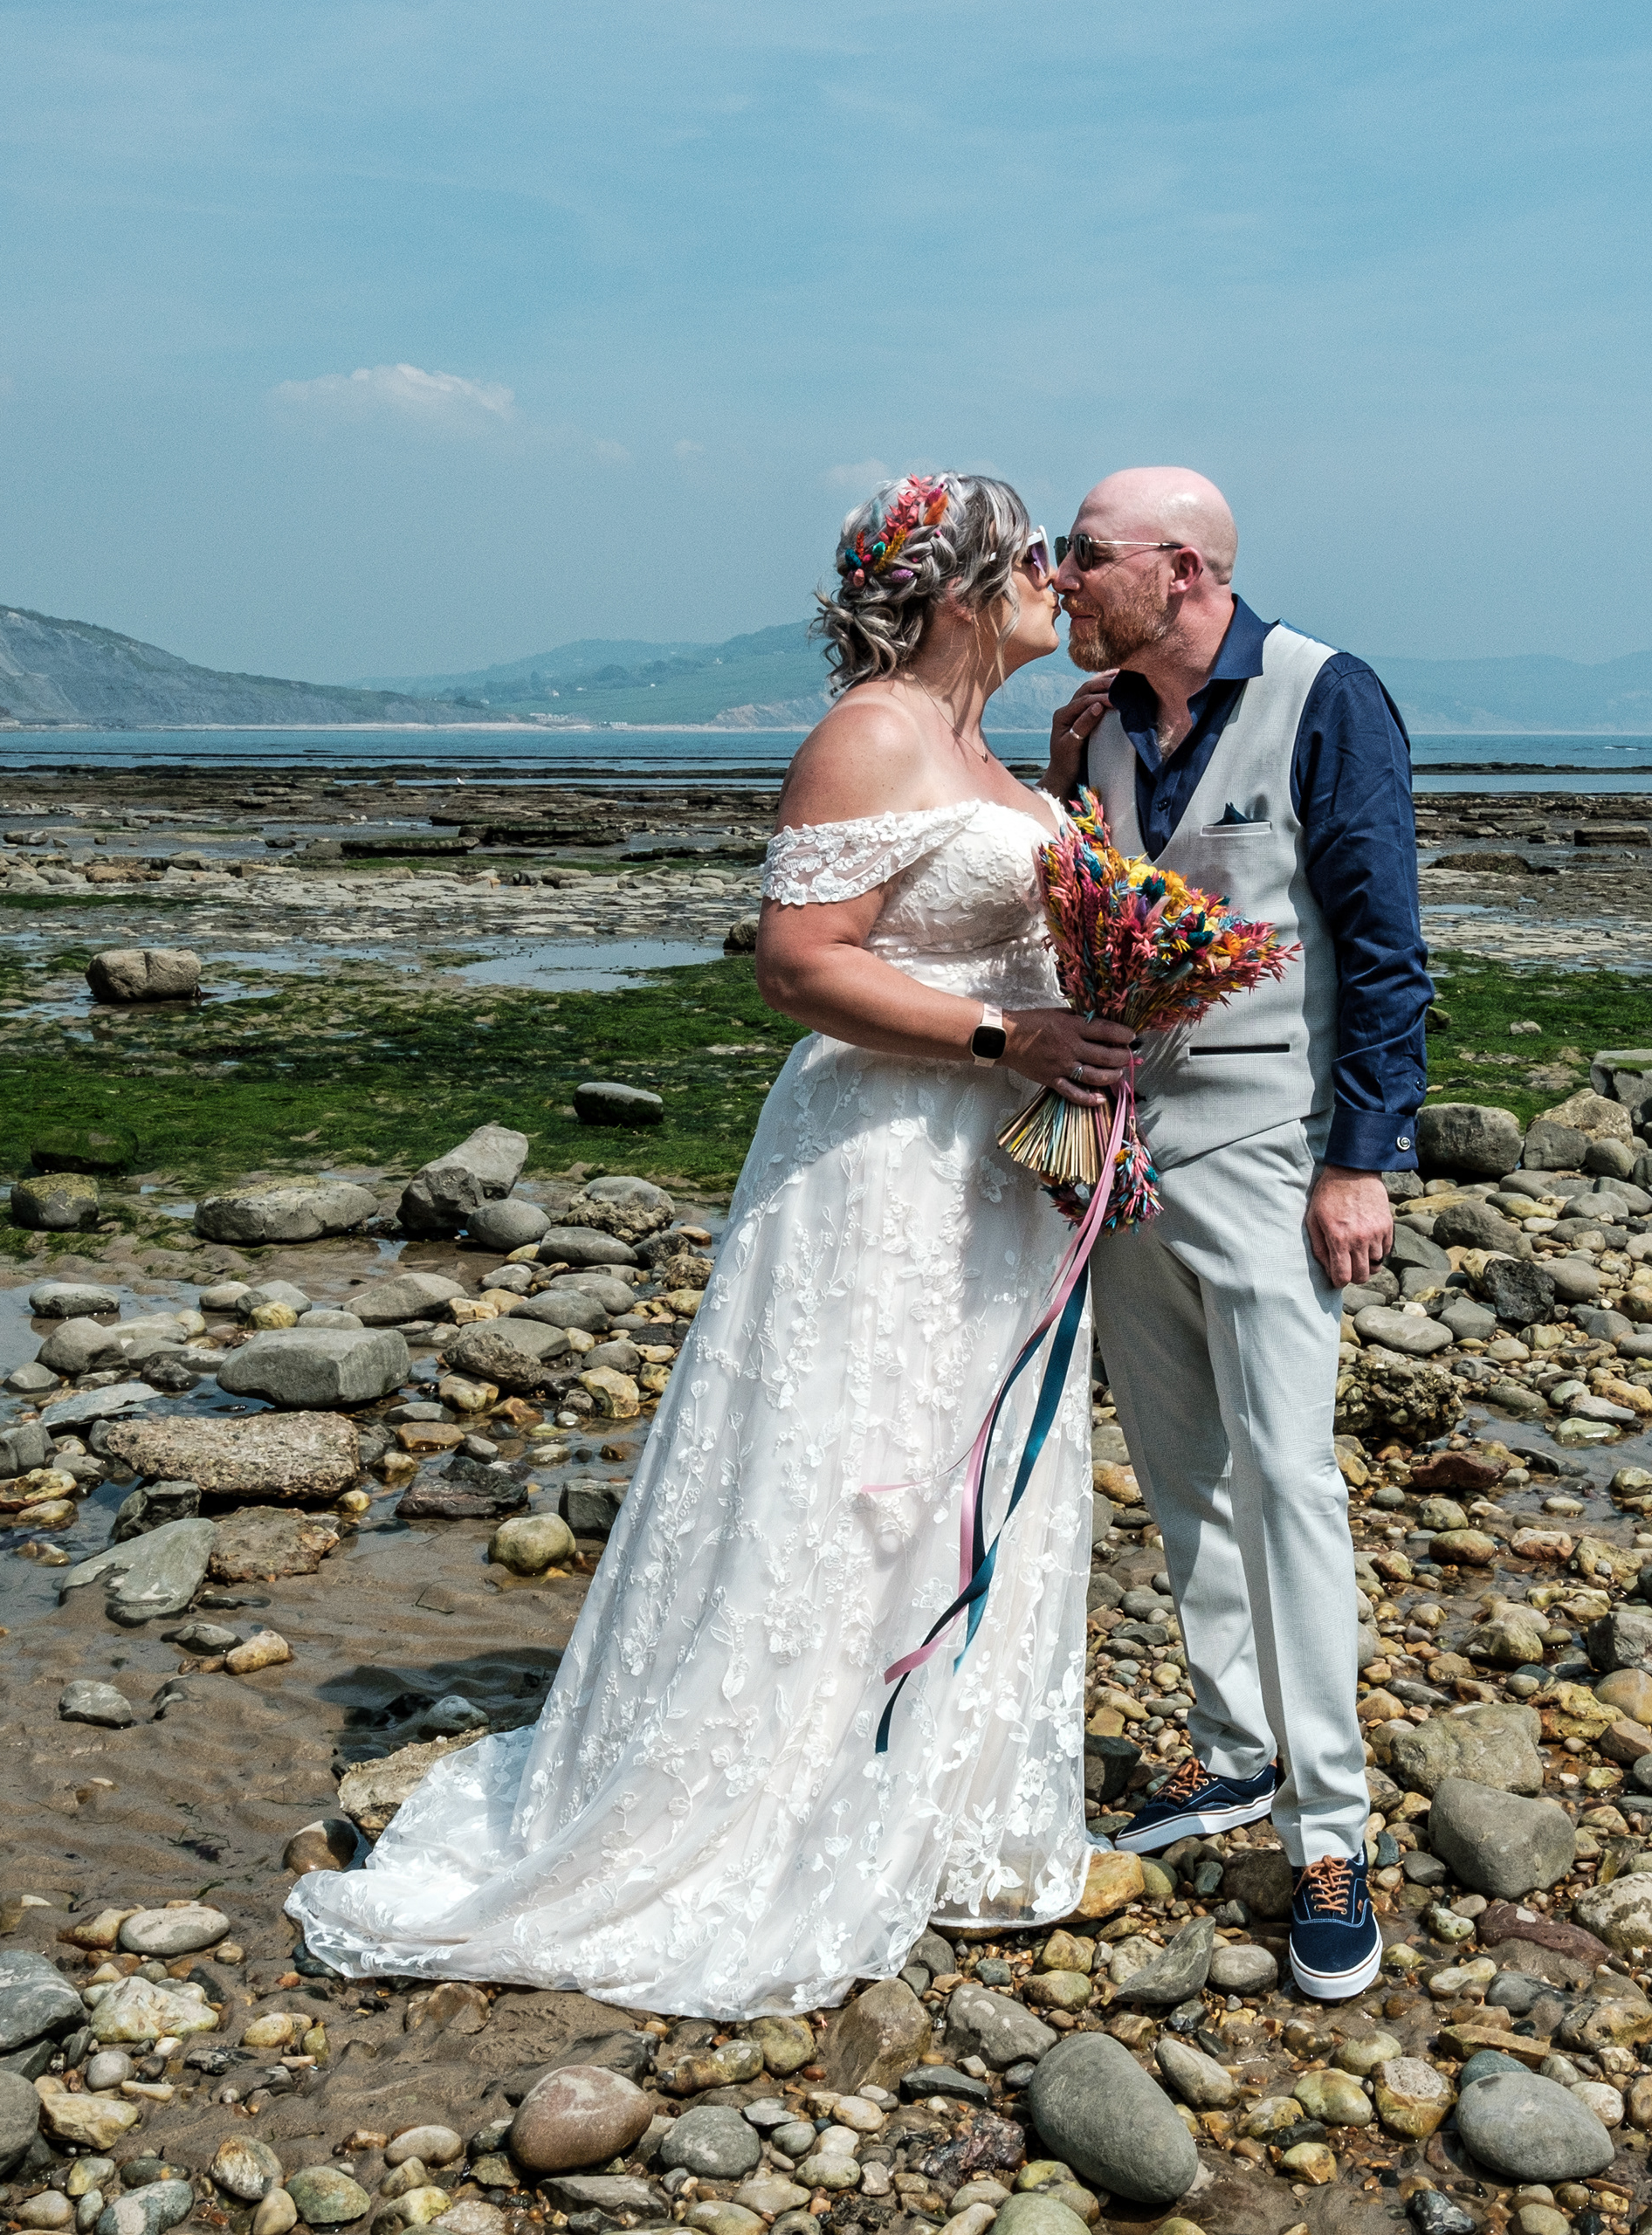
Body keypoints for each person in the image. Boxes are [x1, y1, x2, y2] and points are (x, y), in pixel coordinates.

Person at [288, 473, 1136, 2018]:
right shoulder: (869, 733)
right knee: (847, 1461)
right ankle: (772, 1804)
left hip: (994, 1173)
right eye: (1029, 560)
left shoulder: (998, 753)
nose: (1056, 581)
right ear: (956, 590)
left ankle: (929, 1798)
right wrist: (1013, 1033)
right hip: (883, 1161)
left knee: (957, 1458)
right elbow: (799, 968)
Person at [1043, 466, 1431, 2000]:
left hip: (1278, 1155)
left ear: (1182, 566)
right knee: (1178, 1469)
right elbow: (1093, 929)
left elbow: (1386, 948)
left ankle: (1333, 1830)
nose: (1064, 581)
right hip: (1131, 1153)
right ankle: (1232, 1755)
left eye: (1086, 558)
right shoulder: (1105, 729)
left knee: (1290, 1481)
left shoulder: (1328, 698)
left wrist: (1362, 1160)